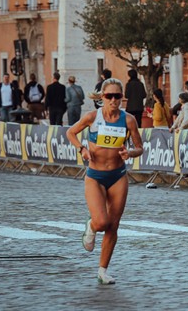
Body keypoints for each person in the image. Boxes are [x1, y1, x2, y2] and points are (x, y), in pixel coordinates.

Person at [66, 78, 143, 285]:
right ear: (102, 97)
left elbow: (140, 147)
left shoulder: (128, 120)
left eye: (117, 96)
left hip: (118, 175)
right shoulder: (92, 117)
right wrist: (82, 149)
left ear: (122, 98)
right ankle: (91, 226)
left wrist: (131, 152)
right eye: (109, 96)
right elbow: (70, 132)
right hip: (95, 175)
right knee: (102, 221)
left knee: (113, 226)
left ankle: (103, 270)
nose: (113, 100)